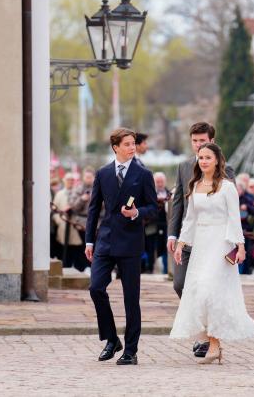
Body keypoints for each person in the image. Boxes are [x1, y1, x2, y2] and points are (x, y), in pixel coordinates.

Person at [170, 142, 254, 364]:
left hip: (220, 243)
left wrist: (240, 245)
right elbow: (190, 219)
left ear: (217, 160)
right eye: (201, 158)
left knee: (211, 291)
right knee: (199, 291)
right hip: (201, 243)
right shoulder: (195, 185)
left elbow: (233, 218)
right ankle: (212, 343)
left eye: (208, 157)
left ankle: (214, 345)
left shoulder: (227, 187)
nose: (204, 161)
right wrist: (181, 244)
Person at [85, 128, 158, 366]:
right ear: (115, 147)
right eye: (127, 144)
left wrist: (137, 212)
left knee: (130, 299)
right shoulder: (103, 173)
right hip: (105, 241)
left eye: (133, 143)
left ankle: (130, 350)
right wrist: (89, 240)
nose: (132, 147)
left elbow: (153, 208)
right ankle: (111, 338)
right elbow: (94, 209)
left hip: (130, 242)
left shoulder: (143, 174)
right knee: (96, 288)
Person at [166, 122, 234, 357]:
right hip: (188, 237)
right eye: (194, 141)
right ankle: (203, 332)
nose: (198, 146)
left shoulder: (227, 171)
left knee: (207, 288)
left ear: (212, 142)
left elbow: (230, 209)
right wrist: (173, 234)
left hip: (214, 240)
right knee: (180, 284)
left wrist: (235, 243)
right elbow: (179, 204)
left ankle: (207, 339)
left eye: (202, 141)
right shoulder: (184, 167)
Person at [68, 166, 96, 272]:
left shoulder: (99, 187)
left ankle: (93, 268)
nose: (88, 179)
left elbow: (105, 205)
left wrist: (94, 199)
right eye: (86, 177)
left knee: (95, 247)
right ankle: (81, 268)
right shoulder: (78, 189)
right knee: (80, 248)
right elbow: (73, 206)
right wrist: (82, 199)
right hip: (80, 222)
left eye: (90, 177)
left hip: (96, 222)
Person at [52, 173, 83, 267]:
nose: (70, 182)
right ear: (64, 181)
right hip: (63, 227)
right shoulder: (59, 194)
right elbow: (54, 210)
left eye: (72, 180)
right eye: (68, 180)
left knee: (77, 250)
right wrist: (59, 221)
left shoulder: (77, 194)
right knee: (64, 252)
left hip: (75, 227)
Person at [143, 172, 171, 274]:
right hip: (151, 225)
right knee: (150, 247)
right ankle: (149, 268)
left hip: (165, 225)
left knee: (164, 248)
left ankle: (166, 270)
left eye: (161, 181)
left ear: (165, 182)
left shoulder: (170, 193)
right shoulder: (149, 193)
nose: (159, 184)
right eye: (157, 181)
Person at [237, 180, 254, 274]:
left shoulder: (247, 198)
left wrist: (247, 207)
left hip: (245, 229)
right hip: (233, 228)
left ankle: (245, 272)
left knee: (246, 252)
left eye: (239, 188)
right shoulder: (231, 197)